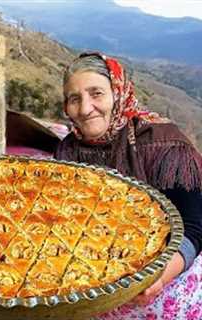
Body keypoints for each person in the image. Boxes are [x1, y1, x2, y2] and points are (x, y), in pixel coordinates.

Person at [55, 52, 202, 319]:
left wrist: (158, 278)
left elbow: (195, 225)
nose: (85, 108)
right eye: (74, 99)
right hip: (96, 291)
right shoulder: (68, 150)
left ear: (118, 92)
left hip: (164, 291)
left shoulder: (162, 143)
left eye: (96, 93)